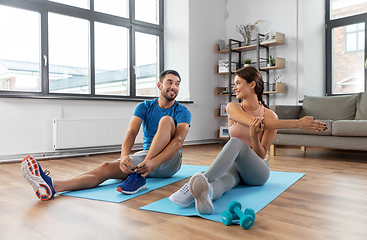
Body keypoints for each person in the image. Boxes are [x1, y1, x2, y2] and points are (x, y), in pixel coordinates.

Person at [169, 66, 327, 214]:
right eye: (234, 83)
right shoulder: (232, 107)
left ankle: (194, 185)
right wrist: (297, 124)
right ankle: (207, 195)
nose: (234, 87)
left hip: (258, 172)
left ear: (252, 84)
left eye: (238, 83)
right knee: (226, 181)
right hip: (236, 167)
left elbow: (261, 153)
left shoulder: (271, 116)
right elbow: (255, 121)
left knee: (236, 142)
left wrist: (253, 136)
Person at [21, 69, 192, 200]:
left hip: (169, 162)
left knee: (166, 121)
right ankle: (53, 186)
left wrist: (152, 163)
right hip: (146, 160)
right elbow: (131, 132)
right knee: (105, 167)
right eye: (169, 82)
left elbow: (178, 141)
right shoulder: (144, 106)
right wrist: (124, 156)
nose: (174, 87)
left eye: (177, 84)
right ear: (159, 85)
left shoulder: (182, 111)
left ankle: (139, 174)